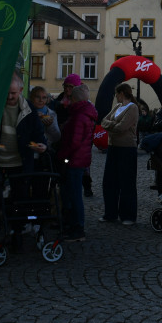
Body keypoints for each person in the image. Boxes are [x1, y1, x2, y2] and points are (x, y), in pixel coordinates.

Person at [0, 72, 48, 250]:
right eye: (7, 93)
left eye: (13, 94)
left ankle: (17, 233)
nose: (10, 97)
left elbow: (39, 135)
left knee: (20, 200)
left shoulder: (29, 110)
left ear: (21, 91)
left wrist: (42, 146)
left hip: (20, 162)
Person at [58, 84, 98, 241]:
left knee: (74, 195)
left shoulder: (79, 116)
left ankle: (77, 228)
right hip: (80, 159)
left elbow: (74, 142)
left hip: (75, 160)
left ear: (74, 99)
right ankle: (74, 226)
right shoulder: (84, 114)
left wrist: (62, 155)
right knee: (73, 194)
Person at [98, 83, 139, 226]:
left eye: (117, 94)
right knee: (109, 182)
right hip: (113, 147)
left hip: (126, 148)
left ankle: (128, 215)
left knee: (127, 182)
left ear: (122, 93)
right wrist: (113, 126)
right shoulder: (117, 107)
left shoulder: (132, 108)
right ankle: (111, 213)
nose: (115, 96)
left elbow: (123, 127)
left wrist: (112, 126)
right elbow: (103, 121)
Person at [50, 73, 93, 197]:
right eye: (66, 86)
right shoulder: (58, 100)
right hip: (62, 138)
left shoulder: (83, 102)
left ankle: (86, 186)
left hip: (78, 139)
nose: (67, 89)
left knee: (83, 166)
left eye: (70, 87)